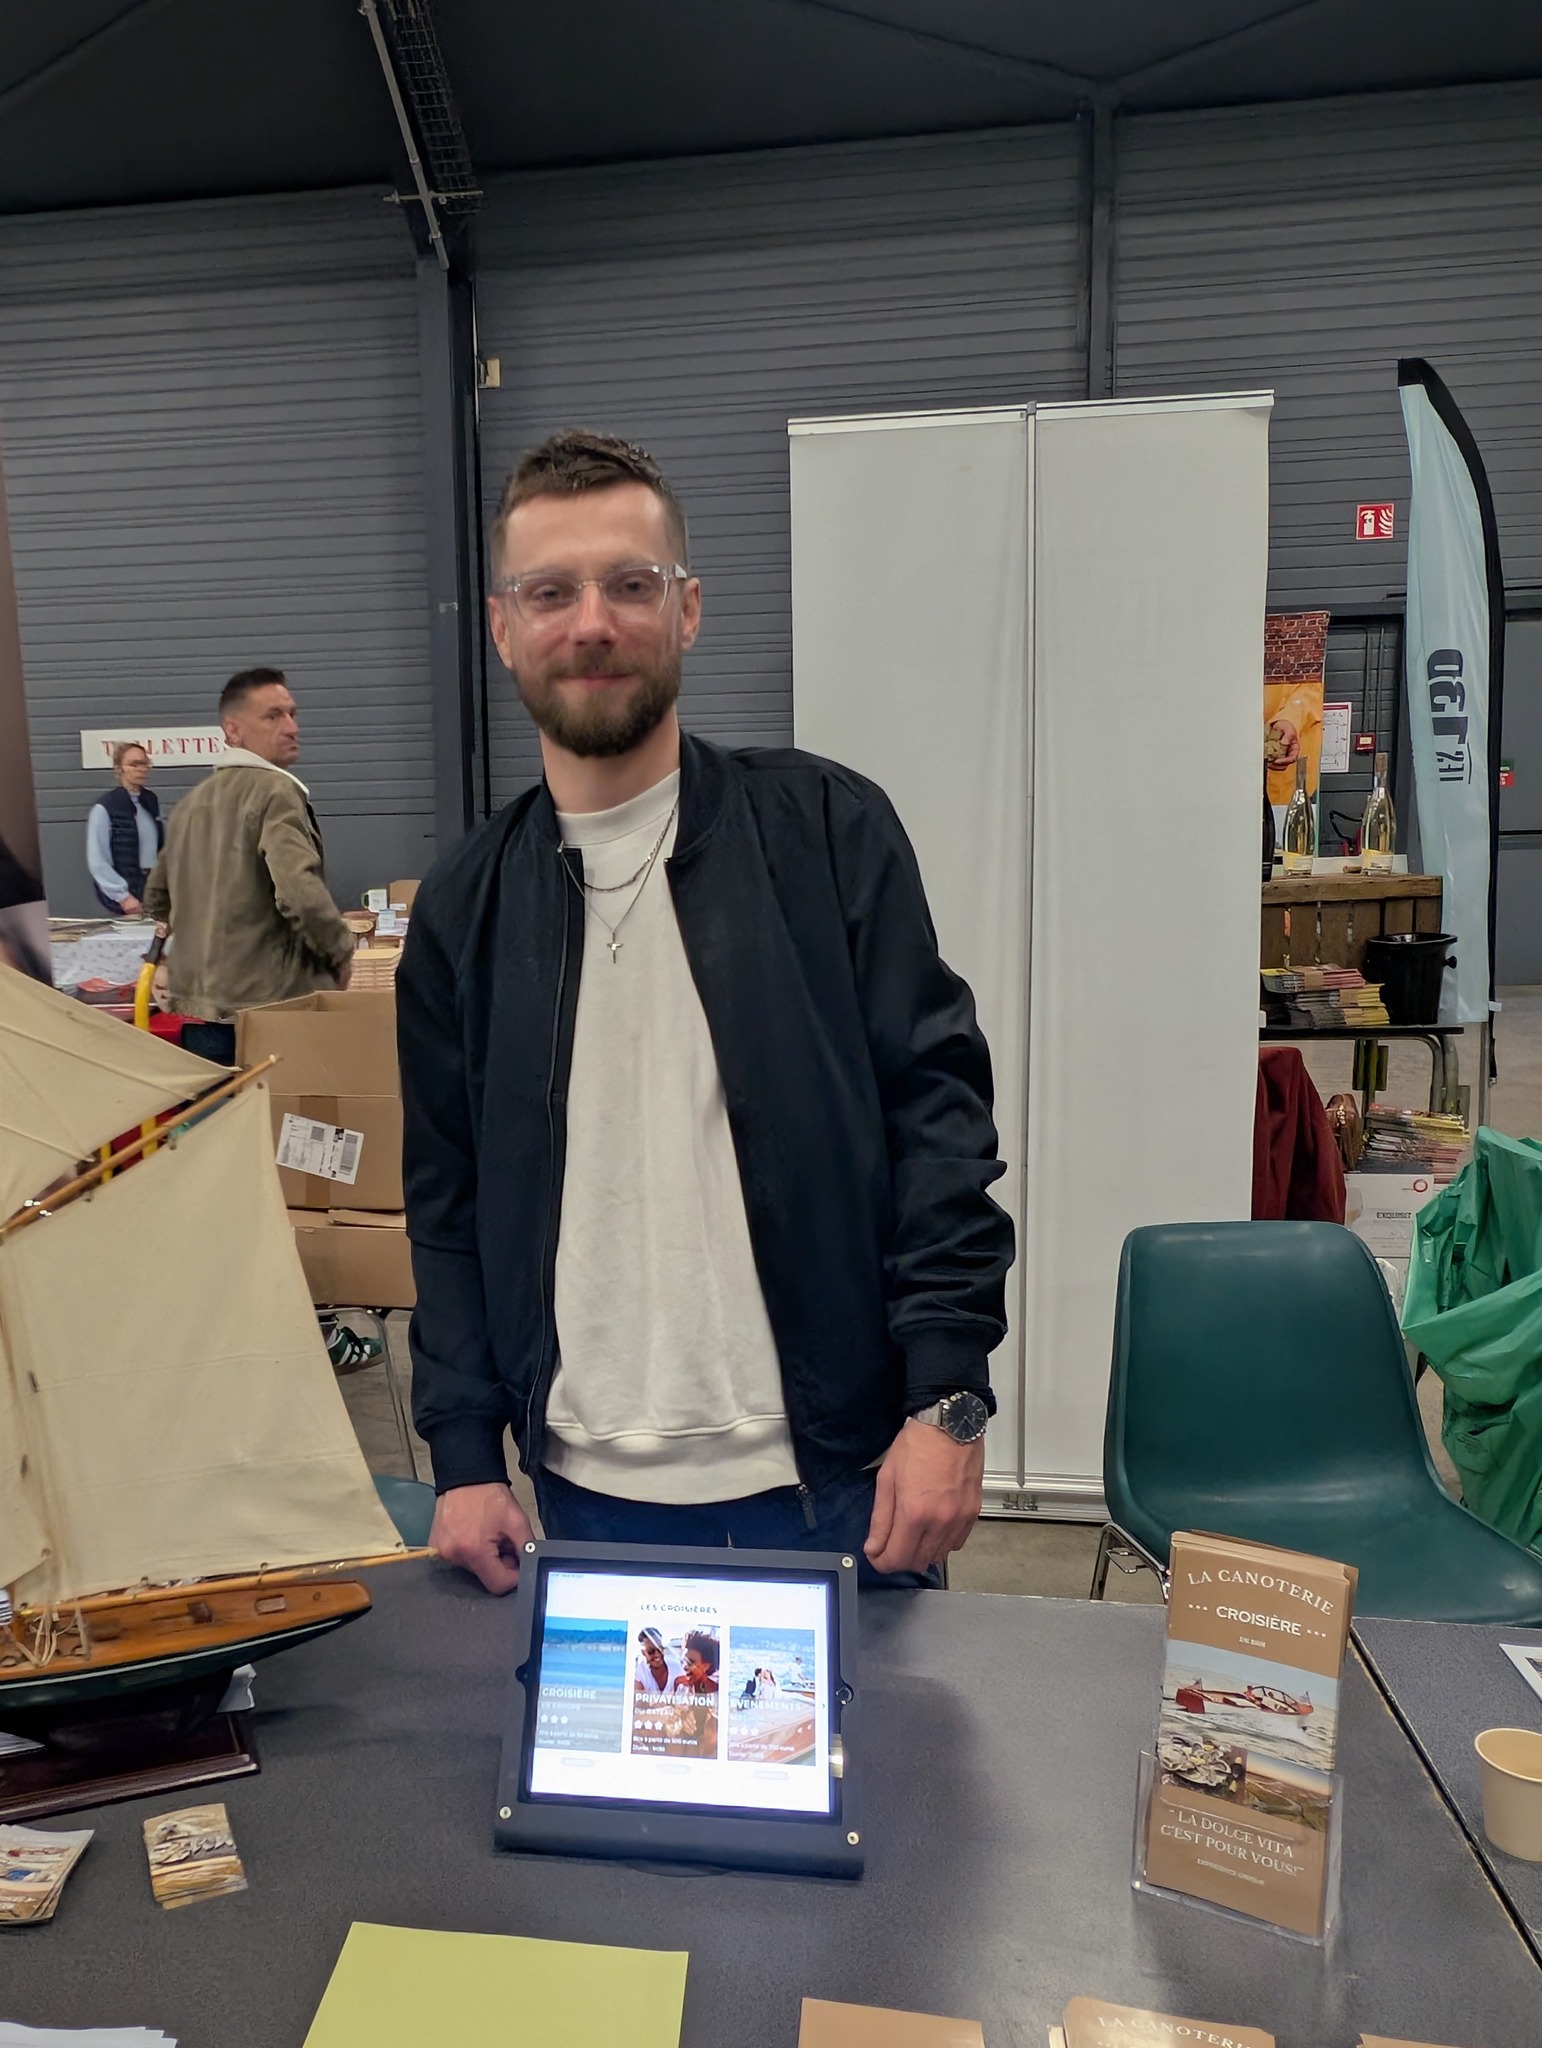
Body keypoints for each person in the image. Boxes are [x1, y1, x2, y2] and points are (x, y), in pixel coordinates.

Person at [400, 428, 1014, 1598]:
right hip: (588, 1491)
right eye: (551, 591)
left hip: (844, 1482)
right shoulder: (464, 909)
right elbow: (448, 1201)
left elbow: (937, 1122)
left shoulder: (825, 832)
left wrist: (948, 1395)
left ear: (686, 608)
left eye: (630, 584)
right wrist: (465, 1454)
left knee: (883, 1733)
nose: (592, 622)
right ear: (504, 626)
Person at [145, 667, 375, 1373]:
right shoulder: (276, 793)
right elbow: (298, 893)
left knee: (219, 1172)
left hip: (201, 1020)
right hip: (273, 1020)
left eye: (293, 712)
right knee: (299, 1175)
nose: (292, 725)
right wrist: (340, 953)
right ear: (234, 728)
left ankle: (223, 1326)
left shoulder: (192, 804)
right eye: (274, 715)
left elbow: (158, 897)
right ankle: (314, 1330)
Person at [86, 742, 162, 915]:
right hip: (126, 897)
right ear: (119, 768)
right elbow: (98, 860)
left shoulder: (150, 801)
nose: (141, 769)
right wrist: (122, 896)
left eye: (144, 763)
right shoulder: (106, 807)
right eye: (134, 764)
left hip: (151, 891)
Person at [633, 1627, 681, 1695]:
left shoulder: (677, 1667)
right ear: (643, 1653)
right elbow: (638, 1700)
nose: (657, 1654)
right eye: (651, 1651)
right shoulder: (639, 1672)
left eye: (659, 1648)